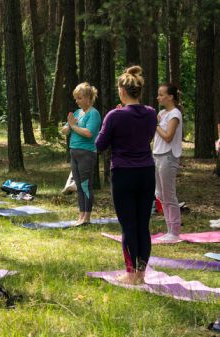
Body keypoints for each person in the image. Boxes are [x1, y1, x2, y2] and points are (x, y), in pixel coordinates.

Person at [95, 66, 157, 285]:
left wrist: (112, 119)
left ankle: (131, 274)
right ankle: (141, 273)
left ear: (122, 90)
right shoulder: (151, 113)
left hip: (123, 173)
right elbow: (147, 135)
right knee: (143, 225)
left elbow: (99, 145)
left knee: (128, 225)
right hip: (147, 173)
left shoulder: (114, 115)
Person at [61, 83, 101, 225]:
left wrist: (73, 126)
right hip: (74, 152)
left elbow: (89, 133)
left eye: (79, 98)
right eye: (76, 98)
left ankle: (87, 217)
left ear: (88, 98)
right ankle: (81, 216)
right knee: (78, 185)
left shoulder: (94, 113)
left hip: (86, 153)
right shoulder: (78, 113)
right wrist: (67, 127)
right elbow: (66, 129)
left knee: (85, 185)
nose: (77, 101)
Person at [154, 83, 183, 241]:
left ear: (170, 97)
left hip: (168, 156)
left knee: (169, 194)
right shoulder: (162, 113)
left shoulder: (175, 114)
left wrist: (156, 124)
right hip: (157, 155)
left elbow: (168, 136)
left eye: (161, 94)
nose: (158, 97)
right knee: (161, 195)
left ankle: (174, 232)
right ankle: (169, 230)